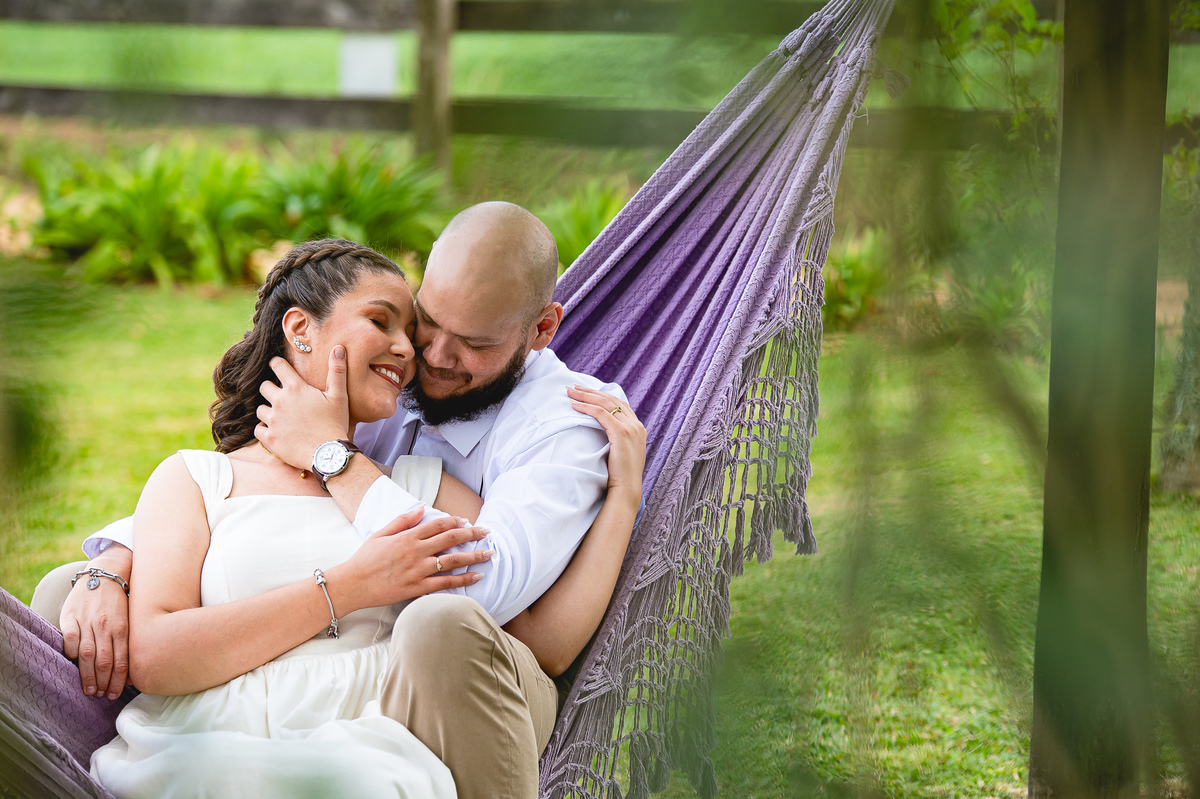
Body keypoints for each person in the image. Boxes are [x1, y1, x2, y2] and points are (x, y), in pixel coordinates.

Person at [33, 203, 642, 797]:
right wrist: (110, 564)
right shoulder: (375, 394)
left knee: (436, 628)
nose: (425, 355)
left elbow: (518, 618)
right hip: (238, 720)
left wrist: (333, 460)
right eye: (416, 322)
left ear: (541, 329)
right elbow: (228, 493)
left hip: (452, 673)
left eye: (473, 344)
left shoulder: (559, 426)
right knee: (70, 591)